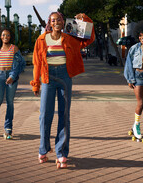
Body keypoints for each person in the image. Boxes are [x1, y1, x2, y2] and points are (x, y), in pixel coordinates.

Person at [30, 12, 95, 169]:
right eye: (53, 20)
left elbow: (88, 38)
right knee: (45, 115)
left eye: (59, 19)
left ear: (63, 21)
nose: (56, 22)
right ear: (50, 23)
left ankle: (62, 153)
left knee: (64, 115)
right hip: (47, 77)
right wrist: (35, 83)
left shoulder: (70, 37)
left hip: (65, 76)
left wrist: (83, 19)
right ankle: (43, 149)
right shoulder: (41, 39)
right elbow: (37, 62)